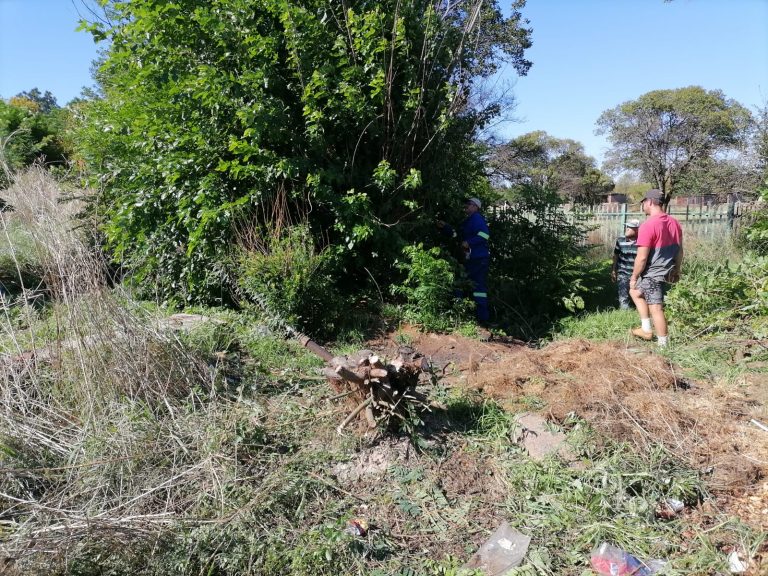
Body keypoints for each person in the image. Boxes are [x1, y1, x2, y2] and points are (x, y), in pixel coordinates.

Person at [629, 189, 683, 347]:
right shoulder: (674, 223)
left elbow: (642, 257)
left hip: (653, 273)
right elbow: (680, 250)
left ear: (650, 202)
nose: (643, 206)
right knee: (636, 292)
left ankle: (663, 345)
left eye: (643, 202)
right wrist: (676, 269)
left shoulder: (648, 225)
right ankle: (645, 328)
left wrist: (633, 277)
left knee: (656, 308)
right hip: (667, 270)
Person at [437, 197, 490, 323]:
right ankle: (462, 315)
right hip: (470, 259)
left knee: (476, 287)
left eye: (469, 204)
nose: (466, 206)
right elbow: (457, 236)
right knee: (462, 283)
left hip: (478, 259)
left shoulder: (477, 219)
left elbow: (485, 235)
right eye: (466, 204)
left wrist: (469, 243)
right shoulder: (468, 220)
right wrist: (445, 228)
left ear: (476, 207)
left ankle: (481, 318)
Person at [611, 219, 640, 310]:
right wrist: (613, 270)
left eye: (630, 227)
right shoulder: (620, 240)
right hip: (623, 273)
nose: (627, 229)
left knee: (639, 295)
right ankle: (625, 313)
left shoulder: (642, 242)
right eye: (627, 226)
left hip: (638, 275)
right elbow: (615, 256)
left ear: (637, 230)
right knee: (623, 296)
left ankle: (640, 312)